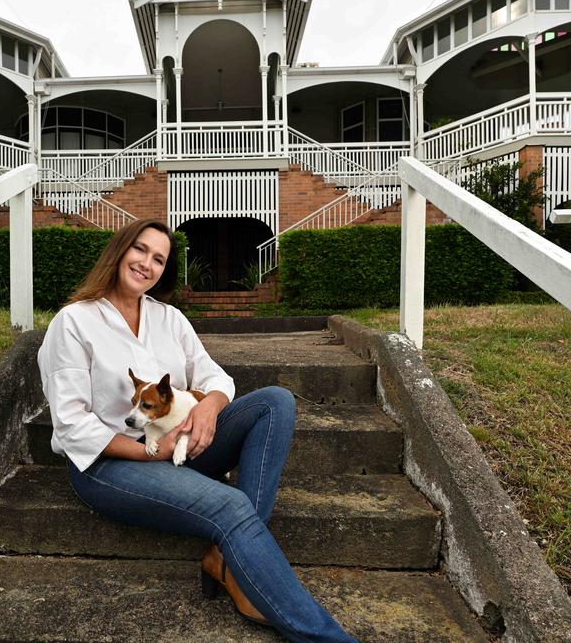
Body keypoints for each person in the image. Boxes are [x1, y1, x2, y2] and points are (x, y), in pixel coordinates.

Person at [37, 218, 358, 643]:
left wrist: (210, 405)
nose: (146, 264)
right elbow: (72, 425)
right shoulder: (75, 322)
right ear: (118, 251)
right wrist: (151, 451)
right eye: (140, 250)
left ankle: (227, 558)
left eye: (158, 259)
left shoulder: (168, 318)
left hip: (182, 446)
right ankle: (328, 637)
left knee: (274, 402)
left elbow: (214, 375)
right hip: (109, 464)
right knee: (230, 507)